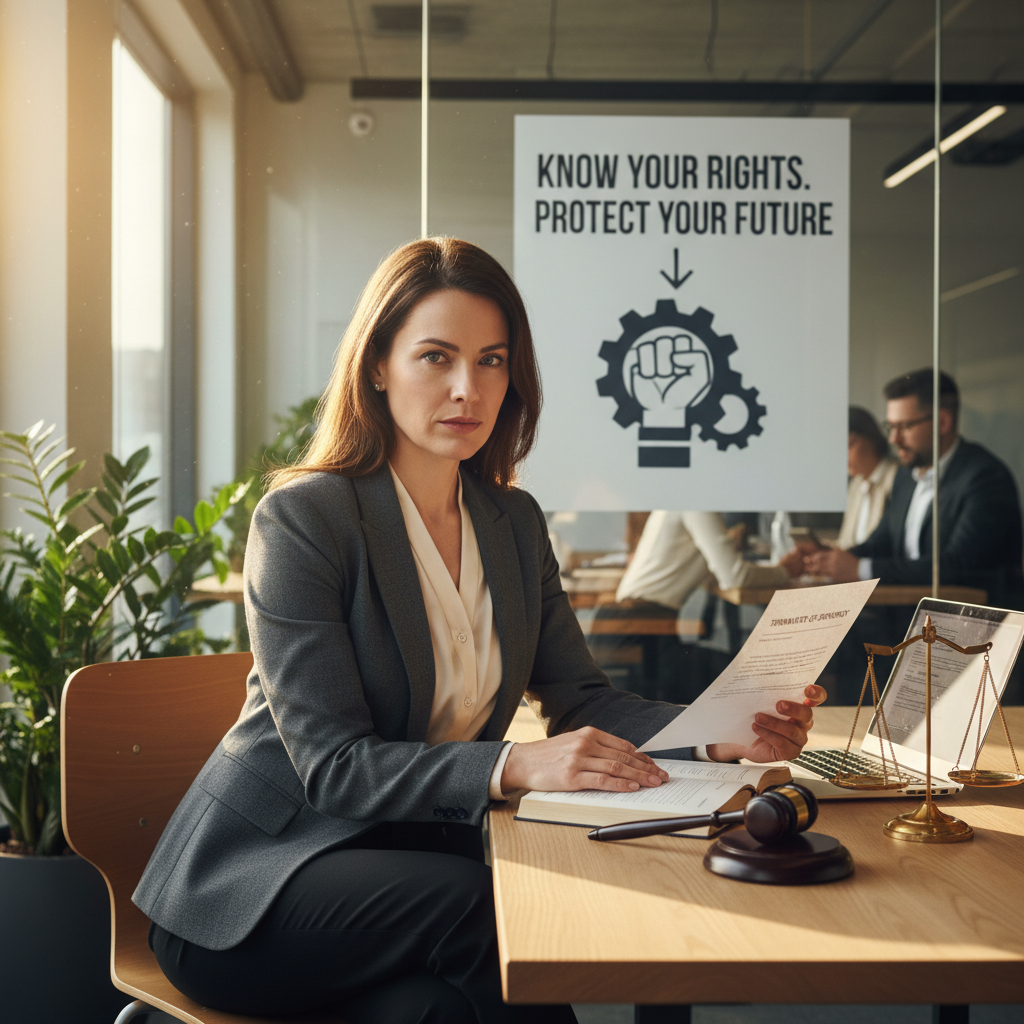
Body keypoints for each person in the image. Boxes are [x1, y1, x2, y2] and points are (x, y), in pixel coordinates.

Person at [132, 238, 825, 1024]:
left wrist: (720, 733)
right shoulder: (305, 520)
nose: (469, 388)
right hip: (258, 886)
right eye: (437, 357)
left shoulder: (512, 522)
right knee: (484, 907)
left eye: (492, 360)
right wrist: (515, 763)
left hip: (403, 873)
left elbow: (580, 698)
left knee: (437, 1008)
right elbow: (334, 769)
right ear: (377, 367)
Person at [805, 369, 1024, 610]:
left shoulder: (986, 478)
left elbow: (957, 566)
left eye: (904, 427)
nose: (893, 439)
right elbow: (880, 543)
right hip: (910, 620)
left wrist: (859, 569)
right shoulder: (905, 477)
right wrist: (823, 558)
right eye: (890, 427)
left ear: (943, 422)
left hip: (973, 631)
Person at [591, 511, 804, 701]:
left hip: (632, 625)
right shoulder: (696, 504)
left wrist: (727, 546)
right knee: (741, 676)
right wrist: (784, 570)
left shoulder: (678, 501)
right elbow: (735, 576)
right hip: (642, 631)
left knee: (737, 671)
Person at [836, 406, 898, 550]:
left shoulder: (897, 478)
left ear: (871, 438)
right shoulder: (856, 484)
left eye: (849, 445)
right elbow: (846, 543)